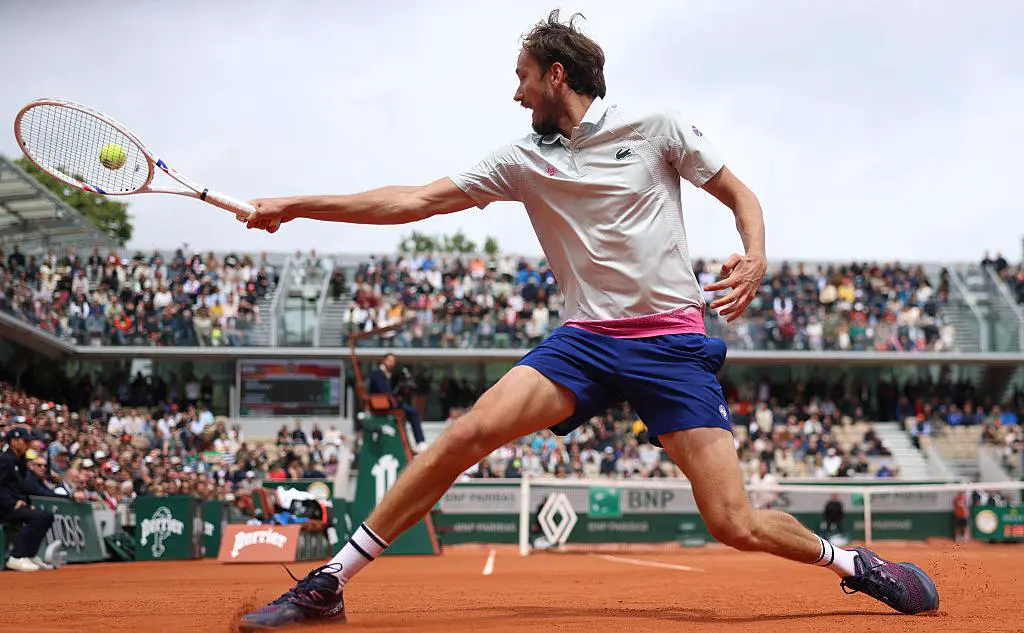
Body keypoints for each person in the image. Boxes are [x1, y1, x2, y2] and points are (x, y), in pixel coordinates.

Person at [239, 11, 938, 630]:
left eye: (522, 78)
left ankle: (854, 563)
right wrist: (297, 205)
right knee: (465, 433)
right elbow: (414, 201)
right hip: (585, 343)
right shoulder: (521, 160)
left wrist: (755, 256)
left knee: (733, 521)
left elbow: (740, 194)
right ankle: (331, 582)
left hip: (670, 344)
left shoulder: (657, 128)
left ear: (555, 74)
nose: (516, 94)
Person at [0, 427, 56, 572]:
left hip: (15, 506)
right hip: (4, 507)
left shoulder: (20, 461)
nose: (28, 444)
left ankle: (30, 554)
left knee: (46, 516)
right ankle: (16, 556)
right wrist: (12, 502)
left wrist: (27, 503)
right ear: (14, 442)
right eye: (25, 441)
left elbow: (20, 488)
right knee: (38, 517)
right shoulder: (5, 460)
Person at [369, 354, 426, 452]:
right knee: (413, 412)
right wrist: (394, 396)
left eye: (394, 361)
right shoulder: (378, 374)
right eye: (390, 361)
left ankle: (416, 443)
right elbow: (384, 391)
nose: (392, 363)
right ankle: (420, 441)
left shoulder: (390, 375)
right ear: (384, 360)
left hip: (389, 403)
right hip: (383, 405)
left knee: (411, 411)